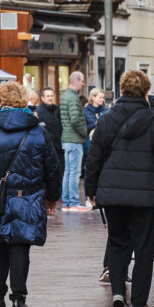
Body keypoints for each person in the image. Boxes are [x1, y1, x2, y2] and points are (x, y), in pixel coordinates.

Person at [0, 81, 62, 307]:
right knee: (20, 247)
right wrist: (52, 196)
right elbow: (52, 168)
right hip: (27, 198)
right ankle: (19, 299)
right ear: (22, 101)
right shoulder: (37, 131)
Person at [85, 70, 154, 307]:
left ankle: (117, 293)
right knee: (144, 247)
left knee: (117, 242)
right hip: (146, 195)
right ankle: (139, 302)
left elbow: (94, 158)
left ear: (122, 91)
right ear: (147, 92)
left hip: (113, 193)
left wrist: (91, 189)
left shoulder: (106, 119)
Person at [60, 71, 90, 212]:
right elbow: (75, 119)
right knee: (74, 172)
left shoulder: (66, 96)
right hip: (74, 139)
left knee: (68, 172)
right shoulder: (72, 98)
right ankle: (73, 202)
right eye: (82, 80)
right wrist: (84, 133)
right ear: (75, 81)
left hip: (67, 138)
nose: (83, 83)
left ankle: (67, 201)